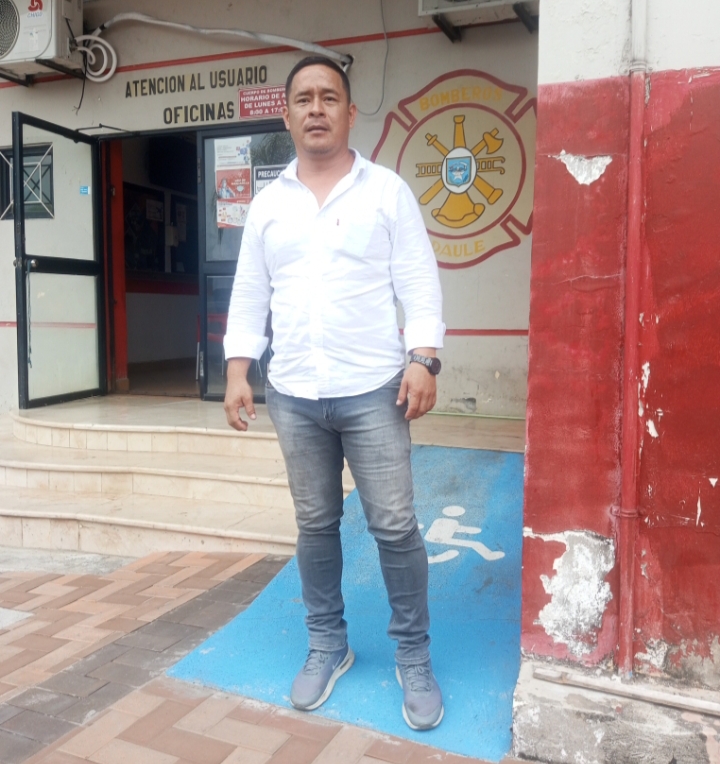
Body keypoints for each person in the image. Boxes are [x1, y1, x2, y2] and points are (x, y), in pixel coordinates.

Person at [223, 55, 445, 731]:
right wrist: (237, 369)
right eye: (303, 98)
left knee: (395, 527)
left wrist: (424, 358)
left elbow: (418, 280)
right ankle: (328, 644)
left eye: (329, 97)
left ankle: (414, 656)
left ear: (350, 112)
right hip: (293, 394)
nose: (316, 108)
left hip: (374, 390)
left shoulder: (386, 192)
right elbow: (250, 291)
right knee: (315, 525)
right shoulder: (269, 204)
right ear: (287, 115)